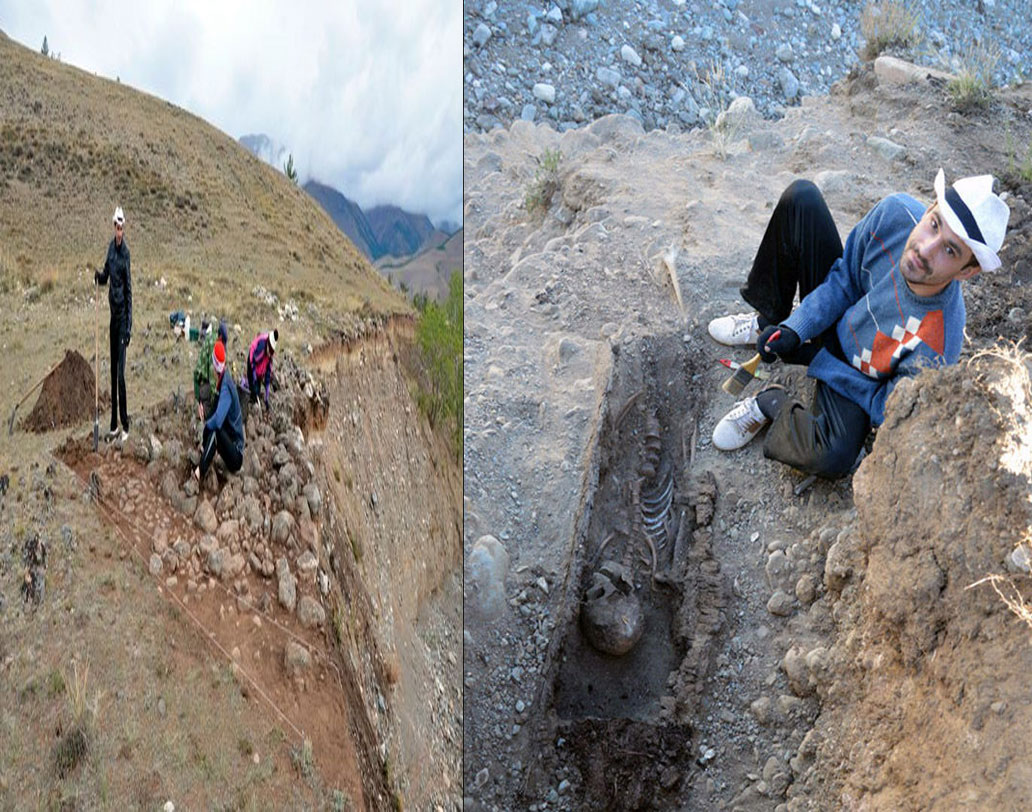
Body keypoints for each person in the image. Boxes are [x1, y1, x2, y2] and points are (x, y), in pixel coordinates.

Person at [708, 168, 1009, 477]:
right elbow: (845, 279)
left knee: (833, 457)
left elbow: (884, 405)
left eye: (950, 250)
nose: (926, 249)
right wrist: (795, 329)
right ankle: (769, 322)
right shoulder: (894, 215)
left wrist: (819, 360)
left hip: (857, 373)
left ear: (966, 271)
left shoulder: (938, 344)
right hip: (841, 314)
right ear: (930, 207)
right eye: (934, 225)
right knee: (802, 199)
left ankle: (771, 403)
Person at [94, 206, 132, 441]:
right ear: (113, 227)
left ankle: (125, 425)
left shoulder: (126, 253)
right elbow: (107, 275)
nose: (119, 232)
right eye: (117, 228)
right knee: (112, 371)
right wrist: (99, 277)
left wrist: (129, 326)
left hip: (122, 319)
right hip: (111, 319)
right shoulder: (110, 249)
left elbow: (129, 290)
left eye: (122, 228)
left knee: (120, 375)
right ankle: (113, 425)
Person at [194, 339, 244, 485]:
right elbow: (216, 414)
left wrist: (206, 426)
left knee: (215, 431)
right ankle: (206, 450)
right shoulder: (223, 380)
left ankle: (199, 472)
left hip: (236, 456)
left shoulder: (226, 386)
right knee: (212, 426)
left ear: (214, 365)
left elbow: (216, 421)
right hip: (230, 444)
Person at [193, 317, 228, 420]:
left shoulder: (214, 337)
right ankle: (202, 410)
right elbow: (213, 381)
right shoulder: (214, 346)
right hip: (200, 384)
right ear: (220, 337)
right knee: (212, 411)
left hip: (202, 378)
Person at [246, 328, 278, 411]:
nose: (269, 353)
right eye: (269, 351)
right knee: (253, 390)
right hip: (252, 362)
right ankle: (250, 403)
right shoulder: (262, 345)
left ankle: (255, 397)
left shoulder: (269, 355)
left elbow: (268, 374)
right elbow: (253, 361)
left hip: (260, 369)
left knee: (258, 389)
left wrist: (267, 395)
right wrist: (254, 375)